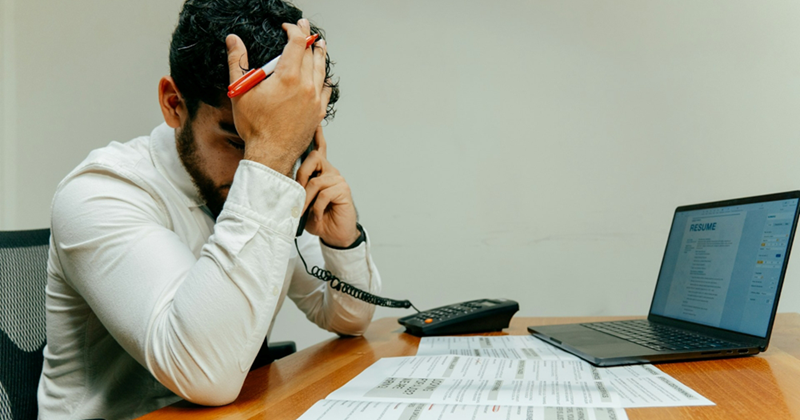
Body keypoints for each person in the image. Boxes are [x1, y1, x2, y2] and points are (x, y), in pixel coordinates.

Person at [36, 1, 381, 418]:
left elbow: (349, 319)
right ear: (174, 103)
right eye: (238, 141)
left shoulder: (263, 180)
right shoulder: (98, 193)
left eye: (287, 139)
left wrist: (342, 242)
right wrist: (269, 156)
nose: (258, 162)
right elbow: (204, 375)